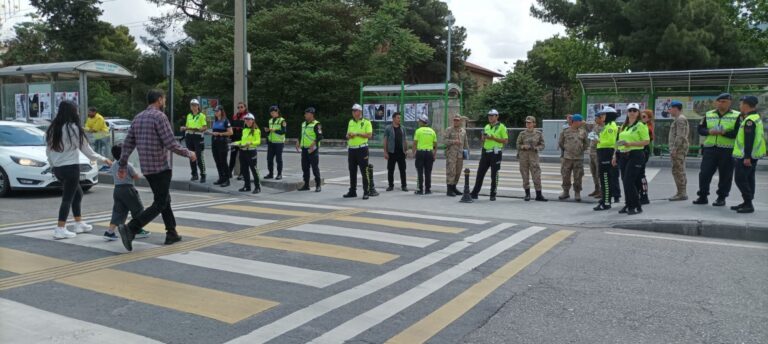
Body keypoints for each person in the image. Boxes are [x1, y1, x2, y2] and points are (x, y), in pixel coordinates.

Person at [116, 89, 197, 252]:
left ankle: (171, 232)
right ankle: (131, 228)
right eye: (164, 99)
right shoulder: (160, 116)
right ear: (159, 100)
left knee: (164, 198)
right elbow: (170, 143)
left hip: (147, 168)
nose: (164, 102)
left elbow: (127, 144)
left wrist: (122, 165)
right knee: (160, 202)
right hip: (161, 167)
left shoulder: (138, 118)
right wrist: (189, 153)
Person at [45, 101, 112, 239]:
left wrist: (53, 165)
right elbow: (86, 149)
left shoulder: (52, 128)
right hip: (71, 168)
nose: (78, 112)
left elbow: (48, 151)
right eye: (76, 110)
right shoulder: (73, 128)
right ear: (72, 112)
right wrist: (103, 159)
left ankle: (78, 223)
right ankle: (60, 228)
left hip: (58, 168)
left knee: (78, 194)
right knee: (67, 199)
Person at [693, 93, 740, 206]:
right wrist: (709, 132)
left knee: (725, 175)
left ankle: (721, 197)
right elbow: (700, 129)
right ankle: (703, 196)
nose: (720, 103)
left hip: (727, 150)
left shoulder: (737, 115)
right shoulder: (709, 114)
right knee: (704, 173)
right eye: (719, 101)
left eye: (724, 101)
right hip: (710, 149)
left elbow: (738, 133)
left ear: (729, 103)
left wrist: (725, 133)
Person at [103, 144, 150, 241]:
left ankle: (109, 232)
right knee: (138, 209)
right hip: (128, 189)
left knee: (118, 211)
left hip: (117, 190)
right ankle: (138, 230)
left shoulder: (114, 164)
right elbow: (136, 176)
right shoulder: (128, 165)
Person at [613, 103, 650, 215]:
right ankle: (629, 204)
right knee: (625, 181)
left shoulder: (641, 125)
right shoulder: (623, 126)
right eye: (630, 110)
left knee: (629, 181)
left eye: (635, 110)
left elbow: (646, 141)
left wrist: (630, 143)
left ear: (638, 113)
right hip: (623, 155)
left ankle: (635, 205)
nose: (632, 112)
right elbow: (618, 142)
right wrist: (615, 155)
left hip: (636, 154)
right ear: (627, 112)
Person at [731, 96, 765, 214]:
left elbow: (748, 140)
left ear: (746, 105)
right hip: (753, 155)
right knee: (749, 179)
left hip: (746, 156)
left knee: (740, 179)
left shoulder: (749, 120)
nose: (740, 106)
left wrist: (746, 157)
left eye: (741, 104)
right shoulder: (756, 118)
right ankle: (746, 202)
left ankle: (748, 203)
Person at [471, 109, 508, 201]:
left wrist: (493, 138)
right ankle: (475, 193)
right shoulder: (486, 126)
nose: (490, 117)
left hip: (495, 153)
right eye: (489, 116)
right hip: (485, 152)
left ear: (497, 116)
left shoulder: (502, 127)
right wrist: (483, 138)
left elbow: (505, 141)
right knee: (480, 173)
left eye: (492, 116)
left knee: (494, 174)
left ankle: (493, 194)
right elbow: (483, 140)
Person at [343, 104, 373, 199]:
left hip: (362, 149)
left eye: (355, 110)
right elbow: (347, 135)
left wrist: (357, 134)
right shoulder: (350, 122)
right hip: (352, 149)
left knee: (364, 171)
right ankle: (352, 191)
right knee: (352, 170)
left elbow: (369, 135)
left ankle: (366, 191)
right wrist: (349, 136)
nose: (353, 112)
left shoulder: (366, 122)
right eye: (352, 110)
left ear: (360, 112)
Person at [594, 107, 619, 211]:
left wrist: (598, 140)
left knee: (605, 179)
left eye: (604, 115)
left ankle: (606, 202)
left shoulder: (610, 127)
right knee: (605, 179)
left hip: (606, 154)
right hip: (604, 154)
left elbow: (609, 142)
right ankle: (605, 199)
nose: (602, 116)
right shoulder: (608, 125)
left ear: (609, 115)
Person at [558, 114, 588, 201]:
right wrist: (567, 150)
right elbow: (561, 143)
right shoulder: (565, 131)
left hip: (578, 158)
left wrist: (580, 149)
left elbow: (586, 144)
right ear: (575, 121)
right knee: (565, 176)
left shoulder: (583, 132)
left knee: (578, 177)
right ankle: (566, 192)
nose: (581, 123)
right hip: (567, 158)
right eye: (580, 121)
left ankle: (577, 193)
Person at [517, 116, 547, 202]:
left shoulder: (538, 133)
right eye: (527, 122)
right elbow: (518, 145)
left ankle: (539, 195)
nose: (528, 124)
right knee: (525, 176)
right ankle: (527, 194)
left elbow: (542, 145)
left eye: (530, 122)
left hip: (534, 157)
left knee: (536, 175)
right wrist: (523, 146)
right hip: (523, 157)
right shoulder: (522, 134)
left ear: (534, 123)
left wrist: (537, 148)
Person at [181, 99, 207, 183]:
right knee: (191, 156)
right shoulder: (189, 115)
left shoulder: (202, 115)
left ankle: (203, 174)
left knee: (199, 156)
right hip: (189, 136)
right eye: (192, 105)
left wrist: (199, 129)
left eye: (195, 105)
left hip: (198, 136)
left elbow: (205, 127)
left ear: (198, 106)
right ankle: (194, 174)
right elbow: (187, 126)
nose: (193, 107)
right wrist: (184, 128)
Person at [667, 100, 690, 201]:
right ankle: (681, 192)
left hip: (678, 149)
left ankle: (681, 193)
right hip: (678, 149)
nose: (669, 110)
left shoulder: (680, 119)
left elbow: (680, 136)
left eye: (670, 108)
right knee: (679, 170)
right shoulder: (678, 119)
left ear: (675, 108)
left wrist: (674, 149)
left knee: (678, 170)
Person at [297, 107, 323, 192]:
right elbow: (302, 134)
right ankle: (306, 185)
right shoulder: (303, 124)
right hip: (304, 148)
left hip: (313, 149)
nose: (305, 115)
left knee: (315, 167)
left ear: (311, 114)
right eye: (305, 114)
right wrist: (298, 141)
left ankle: (318, 185)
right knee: (305, 167)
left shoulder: (317, 124)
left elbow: (320, 136)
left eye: (306, 114)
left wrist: (314, 143)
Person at [443, 114, 469, 196]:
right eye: (454, 120)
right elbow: (444, 141)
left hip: (460, 154)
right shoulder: (449, 130)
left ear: (460, 121)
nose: (456, 121)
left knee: (458, 172)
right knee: (451, 171)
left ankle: (454, 187)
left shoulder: (463, 131)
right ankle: (449, 189)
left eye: (457, 120)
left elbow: (466, 143)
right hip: (451, 154)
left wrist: (467, 152)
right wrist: (453, 141)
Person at [235, 113, 261, 194]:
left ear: (253, 120)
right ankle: (247, 186)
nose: (247, 121)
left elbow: (258, 141)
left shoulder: (257, 130)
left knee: (254, 169)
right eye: (246, 119)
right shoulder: (245, 130)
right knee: (244, 170)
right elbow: (243, 141)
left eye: (249, 119)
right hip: (243, 151)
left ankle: (257, 187)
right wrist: (236, 143)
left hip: (251, 151)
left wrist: (250, 142)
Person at [383, 112, 409, 192]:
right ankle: (390, 186)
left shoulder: (403, 128)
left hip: (401, 152)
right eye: (398, 118)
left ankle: (404, 186)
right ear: (393, 118)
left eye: (400, 118)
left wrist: (406, 149)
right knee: (390, 170)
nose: (399, 119)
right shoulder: (388, 128)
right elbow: (385, 141)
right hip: (392, 152)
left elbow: (405, 140)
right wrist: (385, 152)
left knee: (402, 170)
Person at [412, 115, 437, 195]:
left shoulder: (418, 131)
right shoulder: (432, 131)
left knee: (419, 171)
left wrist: (413, 153)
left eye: (419, 121)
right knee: (428, 172)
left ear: (422, 122)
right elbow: (435, 145)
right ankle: (428, 190)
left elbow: (415, 143)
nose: (418, 122)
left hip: (420, 152)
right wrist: (434, 154)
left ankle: (420, 190)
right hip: (429, 153)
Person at [210, 105, 232, 187]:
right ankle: (221, 178)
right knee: (217, 161)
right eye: (215, 111)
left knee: (223, 162)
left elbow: (230, 132)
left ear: (221, 111)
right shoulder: (215, 121)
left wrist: (220, 134)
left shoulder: (226, 121)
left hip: (222, 143)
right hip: (215, 143)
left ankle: (227, 180)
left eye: (217, 111)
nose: (216, 112)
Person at [264, 105, 286, 180]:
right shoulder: (270, 120)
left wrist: (275, 131)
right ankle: (270, 174)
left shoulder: (282, 120)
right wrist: (267, 131)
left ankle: (279, 174)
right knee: (269, 159)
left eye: (274, 112)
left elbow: (284, 131)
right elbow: (269, 131)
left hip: (279, 143)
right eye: (271, 113)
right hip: (271, 142)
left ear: (277, 112)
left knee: (278, 159)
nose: (272, 114)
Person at [638, 109, 655, 204]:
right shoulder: (640, 125)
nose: (642, 118)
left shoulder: (648, 127)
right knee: (637, 174)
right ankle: (639, 194)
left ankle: (644, 195)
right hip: (638, 150)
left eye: (644, 116)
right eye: (641, 116)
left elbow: (648, 138)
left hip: (644, 150)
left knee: (641, 174)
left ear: (649, 118)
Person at [229, 102, 249, 180]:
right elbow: (231, 126)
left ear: (245, 108)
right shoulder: (235, 116)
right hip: (234, 138)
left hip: (242, 138)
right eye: (238, 107)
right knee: (232, 156)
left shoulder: (247, 116)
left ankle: (242, 173)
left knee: (242, 157)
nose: (240, 109)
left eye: (241, 107)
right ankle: (229, 172)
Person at [588, 116, 604, 199]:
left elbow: (604, 140)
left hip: (598, 152)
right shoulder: (595, 126)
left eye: (597, 118)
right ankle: (596, 189)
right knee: (593, 172)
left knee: (599, 173)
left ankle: (602, 191)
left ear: (601, 119)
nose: (595, 120)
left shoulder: (604, 128)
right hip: (591, 152)